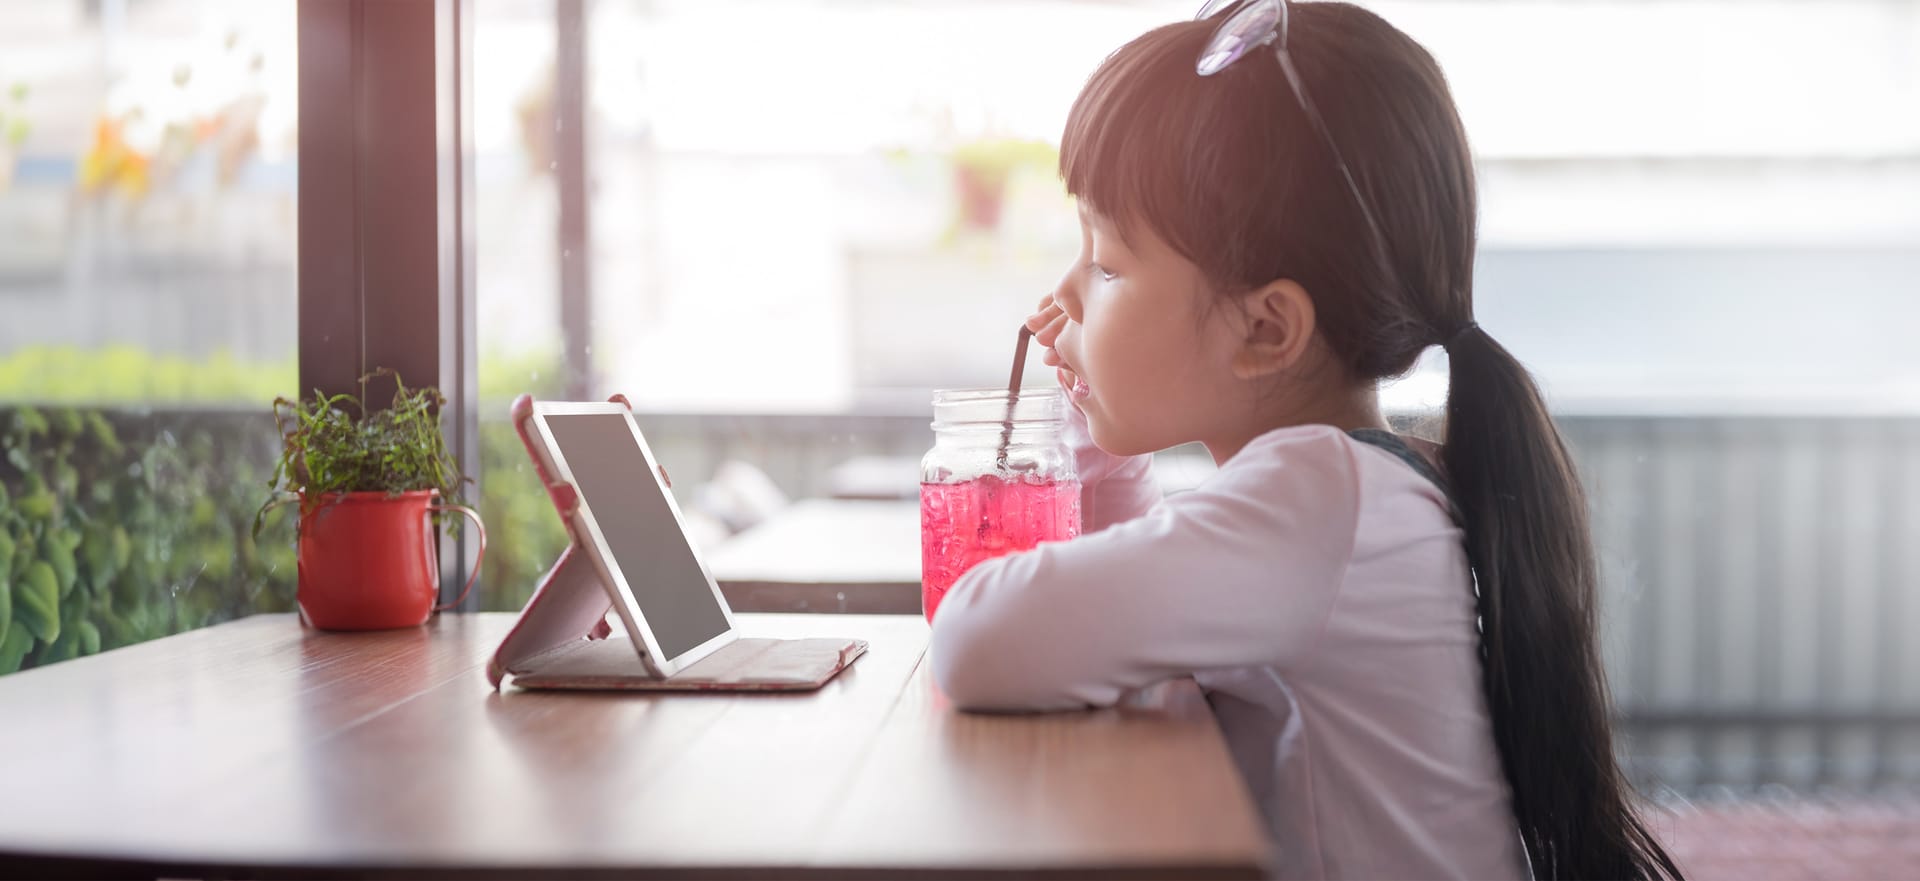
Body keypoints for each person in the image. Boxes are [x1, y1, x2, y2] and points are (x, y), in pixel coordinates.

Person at [928, 2, 1684, 879]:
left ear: (1266, 330)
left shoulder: (1316, 494)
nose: (1066, 288)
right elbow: (1127, 600)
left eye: (1107, 260)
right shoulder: (1350, 484)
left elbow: (980, 640)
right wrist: (1099, 436)